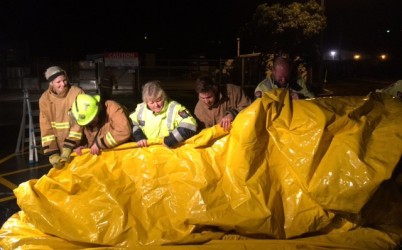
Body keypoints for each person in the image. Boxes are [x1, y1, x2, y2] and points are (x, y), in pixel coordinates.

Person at [39, 66, 85, 169]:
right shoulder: (44, 99)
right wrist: (52, 154)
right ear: (51, 84)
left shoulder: (77, 93)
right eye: (58, 82)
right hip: (59, 148)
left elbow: (79, 123)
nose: (63, 84)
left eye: (64, 80)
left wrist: (69, 147)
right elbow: (46, 128)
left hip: (78, 146)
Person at [129, 80, 197, 148]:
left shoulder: (176, 108)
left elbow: (190, 125)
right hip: (147, 151)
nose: (156, 105)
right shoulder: (140, 109)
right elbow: (131, 124)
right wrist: (139, 136)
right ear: (145, 102)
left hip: (170, 151)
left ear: (164, 97)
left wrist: (171, 140)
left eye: (158, 100)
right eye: (152, 102)